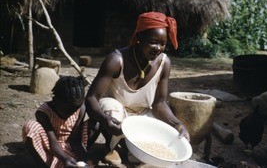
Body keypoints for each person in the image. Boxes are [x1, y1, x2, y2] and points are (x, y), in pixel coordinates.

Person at [85, 11, 190, 165]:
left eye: (163, 43)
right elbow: (91, 98)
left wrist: (177, 124)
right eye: (153, 41)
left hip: (142, 116)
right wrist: (105, 119)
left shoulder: (164, 63)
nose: (158, 48)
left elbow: (160, 103)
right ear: (139, 38)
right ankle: (112, 147)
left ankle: (131, 150)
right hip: (117, 116)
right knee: (110, 106)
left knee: (164, 127)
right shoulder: (116, 60)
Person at [22, 76, 98, 168]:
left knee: (97, 123)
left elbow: (75, 140)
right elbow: (52, 141)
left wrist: (86, 157)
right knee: (30, 126)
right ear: (56, 100)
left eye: (74, 110)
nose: (71, 114)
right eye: (67, 110)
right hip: (50, 149)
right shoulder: (44, 112)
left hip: (70, 148)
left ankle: (75, 160)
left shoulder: (80, 109)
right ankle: (43, 164)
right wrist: (65, 158)